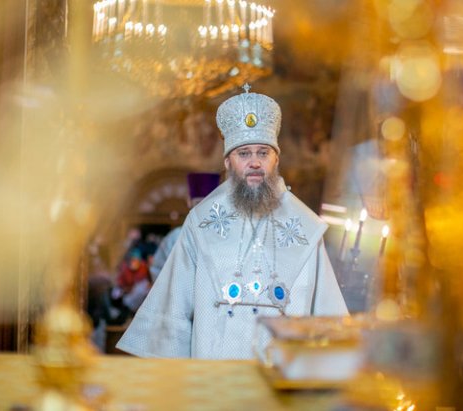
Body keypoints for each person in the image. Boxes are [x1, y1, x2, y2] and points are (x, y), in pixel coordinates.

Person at [117, 86, 348, 359]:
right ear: (228, 162)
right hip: (212, 383)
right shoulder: (201, 224)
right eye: (244, 154)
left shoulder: (306, 228)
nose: (254, 163)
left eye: (263, 153)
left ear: (276, 160)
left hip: (280, 384)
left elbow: (328, 321)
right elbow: (173, 313)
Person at [149, 172, 221, 282]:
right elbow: (157, 269)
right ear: (189, 201)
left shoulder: (224, 235)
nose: (203, 207)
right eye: (198, 202)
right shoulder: (175, 237)